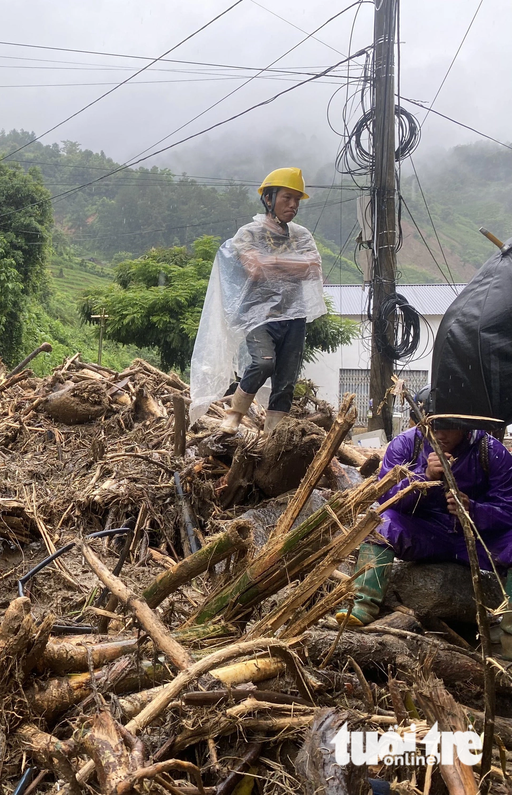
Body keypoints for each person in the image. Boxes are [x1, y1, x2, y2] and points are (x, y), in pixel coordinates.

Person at [338, 396, 512, 653]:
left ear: (464, 426)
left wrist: (474, 511)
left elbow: (508, 508)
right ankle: (361, 603)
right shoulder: (406, 444)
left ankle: (508, 635)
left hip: (475, 538)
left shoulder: (492, 451)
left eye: (448, 426)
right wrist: (424, 479)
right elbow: (386, 498)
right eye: (433, 425)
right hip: (426, 533)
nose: (439, 434)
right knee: (380, 524)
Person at [188, 167, 326, 433]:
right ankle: (235, 412)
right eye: (287, 197)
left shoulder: (301, 235)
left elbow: (313, 268)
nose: (293, 205)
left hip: (293, 316)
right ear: (269, 198)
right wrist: (290, 264)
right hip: (257, 315)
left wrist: (272, 261)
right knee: (263, 362)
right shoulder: (248, 233)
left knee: (286, 381)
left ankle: (272, 435)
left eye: (297, 199)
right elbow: (255, 269)